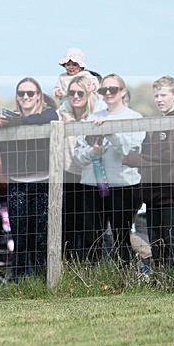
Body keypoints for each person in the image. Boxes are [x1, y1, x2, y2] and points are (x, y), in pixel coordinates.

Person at [0, 77, 58, 279]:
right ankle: (19, 280)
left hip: (43, 184)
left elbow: (49, 116)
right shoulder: (7, 121)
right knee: (20, 237)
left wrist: (17, 121)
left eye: (30, 93)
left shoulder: (47, 114)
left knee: (42, 236)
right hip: (18, 185)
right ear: (17, 97)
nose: (25, 97)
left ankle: (42, 279)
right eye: (21, 93)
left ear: (38, 96)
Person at [73, 74, 145, 264]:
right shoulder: (92, 118)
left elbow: (129, 152)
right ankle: (93, 281)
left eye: (112, 89)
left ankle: (124, 280)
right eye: (103, 90)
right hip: (92, 185)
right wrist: (93, 152)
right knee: (91, 237)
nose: (107, 93)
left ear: (122, 92)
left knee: (121, 237)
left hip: (123, 185)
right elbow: (78, 156)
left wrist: (111, 133)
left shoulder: (135, 118)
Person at [124, 76, 174, 269]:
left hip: (170, 193)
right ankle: (161, 279)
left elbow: (169, 158)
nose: (159, 99)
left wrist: (139, 160)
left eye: (164, 95)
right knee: (157, 244)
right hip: (155, 194)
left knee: (172, 243)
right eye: (156, 95)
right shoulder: (162, 122)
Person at [59, 75, 105, 259]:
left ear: (88, 94)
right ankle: (68, 267)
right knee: (68, 224)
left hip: (90, 173)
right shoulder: (61, 114)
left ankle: (91, 267)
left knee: (91, 225)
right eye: (72, 92)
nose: (76, 96)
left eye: (80, 93)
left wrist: (71, 123)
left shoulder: (96, 116)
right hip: (67, 173)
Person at [52, 48, 100, 116]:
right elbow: (57, 87)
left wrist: (93, 87)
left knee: (91, 99)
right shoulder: (62, 77)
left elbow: (95, 82)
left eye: (74, 65)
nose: (71, 67)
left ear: (80, 66)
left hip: (84, 98)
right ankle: (69, 118)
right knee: (65, 106)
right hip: (68, 98)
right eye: (68, 65)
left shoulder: (85, 74)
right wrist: (57, 92)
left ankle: (88, 116)